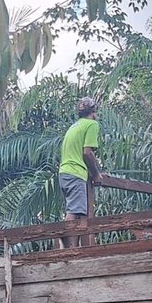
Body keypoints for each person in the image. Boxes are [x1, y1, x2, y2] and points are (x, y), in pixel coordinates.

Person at [58, 96, 103, 243]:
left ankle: (73, 246)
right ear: (94, 112)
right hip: (75, 172)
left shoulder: (74, 126)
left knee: (78, 211)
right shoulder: (91, 124)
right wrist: (96, 174)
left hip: (64, 172)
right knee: (74, 212)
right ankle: (71, 250)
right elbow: (87, 153)